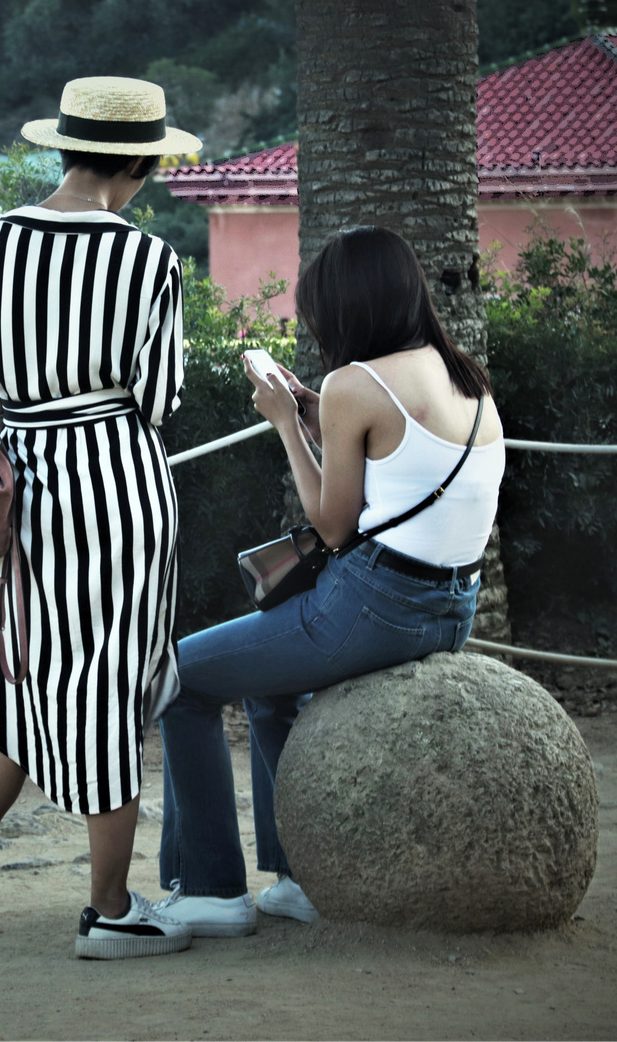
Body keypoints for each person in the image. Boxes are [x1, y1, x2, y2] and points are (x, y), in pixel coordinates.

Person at [0, 77, 202, 959]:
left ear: (61, 148)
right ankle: (108, 911)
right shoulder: (149, 261)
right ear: (137, 163)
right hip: (115, 482)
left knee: (20, 683)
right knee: (106, 688)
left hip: (17, 483)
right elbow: (158, 397)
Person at [152, 225, 507, 934]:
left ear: (347, 308)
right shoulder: (463, 374)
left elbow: (335, 526)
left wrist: (285, 422)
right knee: (265, 691)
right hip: (451, 607)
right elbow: (403, 478)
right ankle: (298, 876)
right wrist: (322, 421)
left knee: (179, 678)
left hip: (375, 608)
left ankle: (210, 889)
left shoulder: (355, 383)